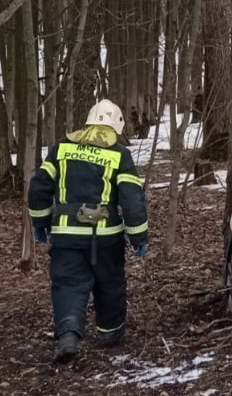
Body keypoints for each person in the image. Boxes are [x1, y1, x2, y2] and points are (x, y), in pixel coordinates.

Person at [27, 99, 150, 363]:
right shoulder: (119, 154)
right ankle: (110, 333)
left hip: (66, 236)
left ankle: (69, 333)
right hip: (106, 238)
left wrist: (40, 224)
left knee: (68, 284)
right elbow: (132, 198)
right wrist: (138, 236)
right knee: (110, 283)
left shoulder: (61, 149)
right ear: (116, 126)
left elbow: (38, 188)